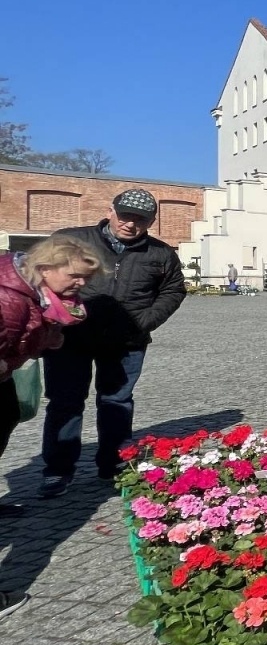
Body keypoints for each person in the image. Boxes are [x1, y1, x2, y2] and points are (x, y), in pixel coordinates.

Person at [37, 190, 187, 499]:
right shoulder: (72, 240)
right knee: (65, 402)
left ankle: (114, 464)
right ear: (111, 210)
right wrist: (55, 318)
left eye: (140, 220)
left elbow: (173, 290)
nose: (130, 224)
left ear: (151, 222)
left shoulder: (160, 253)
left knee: (117, 401)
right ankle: (58, 469)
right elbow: (39, 276)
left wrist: (144, 322)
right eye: (125, 216)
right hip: (71, 339)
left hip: (126, 341)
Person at [0, 237, 100, 610]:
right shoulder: (9, 299)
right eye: (75, 276)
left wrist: (52, 326)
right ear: (45, 268)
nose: (81, 285)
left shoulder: (34, 293)